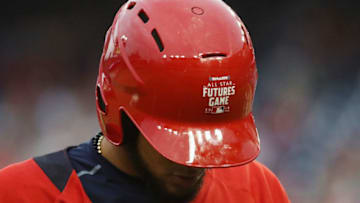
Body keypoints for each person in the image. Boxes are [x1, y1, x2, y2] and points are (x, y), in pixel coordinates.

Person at [0, 0, 290, 202]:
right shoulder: (21, 194)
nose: (195, 164)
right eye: (176, 141)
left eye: (213, 141)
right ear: (120, 114)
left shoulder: (257, 190)